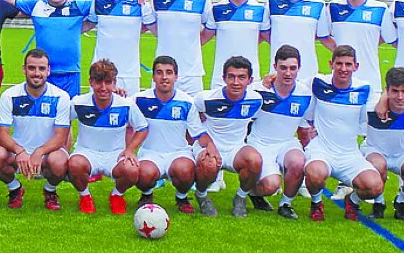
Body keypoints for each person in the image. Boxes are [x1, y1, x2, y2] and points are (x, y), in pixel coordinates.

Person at [303, 46, 385, 221]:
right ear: (331, 64)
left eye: (348, 64)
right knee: (314, 173)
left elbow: (384, 99)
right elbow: (291, 84)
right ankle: (316, 202)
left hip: (349, 155)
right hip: (322, 151)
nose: (343, 69)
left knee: (375, 186)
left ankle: (352, 201)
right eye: (339, 64)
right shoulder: (317, 82)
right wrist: (270, 79)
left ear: (356, 66)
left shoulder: (365, 89)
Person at [0, 49, 72, 210]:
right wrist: (20, 151)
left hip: (48, 152)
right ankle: (15, 189)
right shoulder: (10, 95)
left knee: (59, 161)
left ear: (48, 71)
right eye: (32, 68)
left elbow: (60, 137)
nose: (36, 73)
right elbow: (3, 134)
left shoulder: (61, 97)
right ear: (24, 69)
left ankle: (50, 191)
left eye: (41, 69)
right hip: (19, 152)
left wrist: (39, 152)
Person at [66, 59, 146, 215]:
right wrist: (64, 148)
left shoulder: (125, 104)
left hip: (115, 154)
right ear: (90, 82)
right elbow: (62, 122)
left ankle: (117, 195)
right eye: (98, 82)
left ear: (114, 83)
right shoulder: (78, 103)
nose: (103, 88)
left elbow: (142, 128)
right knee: (74, 164)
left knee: (132, 170)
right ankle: (85, 196)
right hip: (86, 152)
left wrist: (130, 150)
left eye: (108, 82)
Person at [131, 56, 206, 213]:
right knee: (143, 173)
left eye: (169, 72)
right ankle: (146, 195)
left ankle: (182, 197)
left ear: (176, 76)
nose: (164, 77)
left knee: (185, 171)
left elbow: (198, 132)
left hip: (179, 152)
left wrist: (210, 147)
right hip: (150, 153)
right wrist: (116, 92)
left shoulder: (186, 102)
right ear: (153, 76)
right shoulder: (139, 99)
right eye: (159, 72)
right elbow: (119, 105)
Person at [246, 45, 313, 220]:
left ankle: (286, 204)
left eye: (293, 68)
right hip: (260, 143)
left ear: (299, 68)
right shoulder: (258, 89)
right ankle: (253, 192)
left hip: (287, 142)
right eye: (283, 68)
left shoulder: (306, 93)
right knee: (271, 186)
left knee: (298, 163)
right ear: (275, 67)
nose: (288, 73)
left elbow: (306, 126)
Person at [194, 56, 265, 218]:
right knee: (208, 164)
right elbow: (193, 122)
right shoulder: (205, 98)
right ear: (224, 78)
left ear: (250, 80)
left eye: (241, 77)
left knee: (255, 160)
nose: (236, 82)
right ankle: (202, 195)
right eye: (231, 77)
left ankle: (240, 198)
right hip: (209, 146)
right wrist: (203, 145)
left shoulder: (255, 100)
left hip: (235, 149)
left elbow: (252, 121)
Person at [362, 67, 404, 221]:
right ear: (387, 91)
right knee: (377, 166)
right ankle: (379, 203)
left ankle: (402, 201)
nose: (400, 96)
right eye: (395, 91)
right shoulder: (371, 107)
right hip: (375, 150)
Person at [319, 0, 395, 90]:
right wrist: (339, 51)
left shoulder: (380, 8)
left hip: (370, 79)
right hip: (340, 79)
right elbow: (323, 36)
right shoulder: (333, 7)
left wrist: (369, 43)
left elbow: (388, 37)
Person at [17, 0, 92, 96]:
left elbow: (103, 3)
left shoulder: (78, 6)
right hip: (43, 72)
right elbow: (8, 3)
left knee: (68, 111)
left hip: (71, 73)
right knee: (44, 110)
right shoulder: (36, 5)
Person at [89, 0, 156, 94]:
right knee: (99, 112)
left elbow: (157, 29)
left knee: (128, 112)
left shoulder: (140, 3)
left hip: (129, 74)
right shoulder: (98, 1)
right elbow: (86, 24)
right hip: (100, 71)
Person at [149, 0, 210, 96]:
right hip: (162, 72)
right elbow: (150, 26)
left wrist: (193, 43)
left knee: (193, 116)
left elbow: (211, 29)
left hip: (192, 74)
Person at [203, 0, 269, 91]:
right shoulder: (217, 9)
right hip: (221, 78)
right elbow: (203, 38)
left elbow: (269, 37)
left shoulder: (260, 10)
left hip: (251, 79)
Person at [264, 0, 325, 86]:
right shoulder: (272, 1)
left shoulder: (318, 5)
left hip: (308, 73)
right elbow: (265, 32)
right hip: (278, 72)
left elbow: (322, 36)